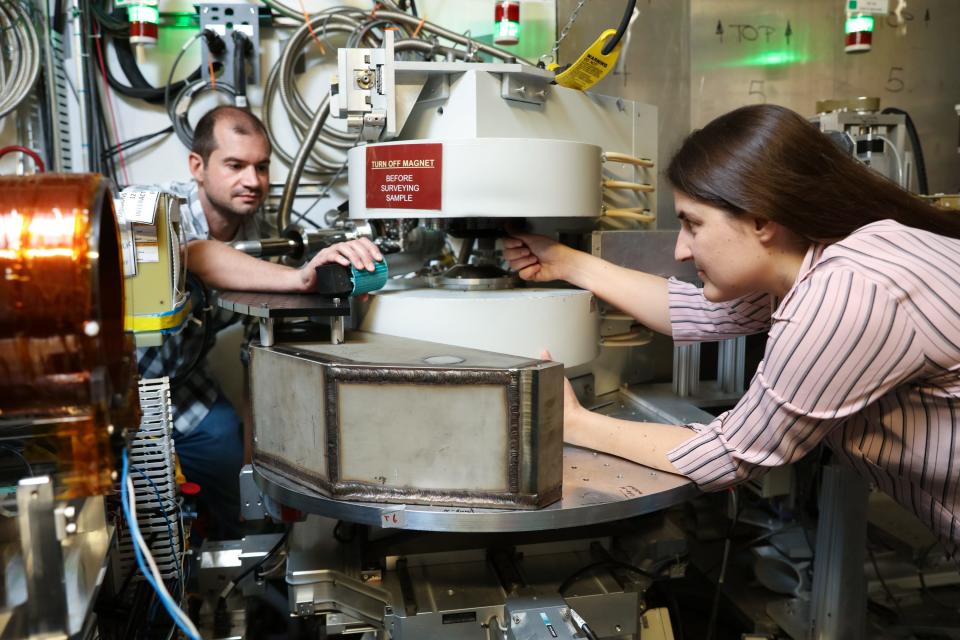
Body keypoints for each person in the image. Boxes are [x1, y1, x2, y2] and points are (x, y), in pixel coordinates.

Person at [504, 104, 960, 552]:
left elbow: (730, 455)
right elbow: (700, 311)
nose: (682, 251)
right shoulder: (828, 254)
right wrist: (564, 261)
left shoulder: (848, 294)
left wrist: (573, 423)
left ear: (762, 219)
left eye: (693, 225)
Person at [137, 105, 381, 537]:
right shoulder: (154, 212)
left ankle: (237, 579)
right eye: (235, 165)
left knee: (244, 506)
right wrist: (301, 278)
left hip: (191, 397)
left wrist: (258, 469)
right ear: (198, 165)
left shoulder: (265, 233)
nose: (252, 181)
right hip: (127, 396)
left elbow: (259, 356)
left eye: (261, 167)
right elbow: (197, 255)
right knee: (135, 522)